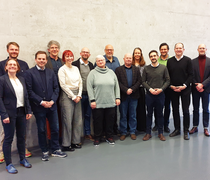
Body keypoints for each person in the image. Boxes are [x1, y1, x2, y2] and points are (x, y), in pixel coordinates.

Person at [25, 51, 67, 161]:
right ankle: (44, 151)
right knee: (41, 130)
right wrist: (41, 102)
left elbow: (56, 88)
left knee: (55, 128)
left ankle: (55, 149)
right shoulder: (29, 73)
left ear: (46, 60)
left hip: (52, 106)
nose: (41, 61)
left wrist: (53, 100)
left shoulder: (51, 72)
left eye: (43, 59)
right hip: (39, 107)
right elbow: (29, 91)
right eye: (39, 58)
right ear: (35, 59)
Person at [0, 42, 31, 164]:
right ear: (6, 67)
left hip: (21, 112)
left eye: (14, 65)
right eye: (10, 65)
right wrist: (4, 114)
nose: (12, 66)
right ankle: (8, 163)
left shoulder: (21, 79)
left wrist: (28, 110)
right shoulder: (2, 79)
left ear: (18, 67)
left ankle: (22, 159)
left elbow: (26, 95)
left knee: (21, 137)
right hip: (9, 112)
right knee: (8, 138)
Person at [87, 55, 120, 146]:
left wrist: (117, 97)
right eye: (98, 61)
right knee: (98, 121)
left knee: (110, 121)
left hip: (111, 102)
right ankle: (97, 137)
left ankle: (109, 136)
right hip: (97, 102)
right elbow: (89, 87)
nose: (100, 62)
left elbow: (116, 86)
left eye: (102, 60)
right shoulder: (92, 73)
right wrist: (92, 100)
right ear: (96, 63)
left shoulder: (111, 72)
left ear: (105, 61)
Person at [142, 50, 170, 141]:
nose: (153, 57)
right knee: (149, 114)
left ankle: (160, 133)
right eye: (151, 56)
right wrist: (150, 89)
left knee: (160, 114)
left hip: (160, 95)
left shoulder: (163, 68)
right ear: (149, 58)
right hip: (149, 95)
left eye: (154, 55)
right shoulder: (146, 68)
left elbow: (168, 80)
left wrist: (161, 89)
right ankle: (148, 133)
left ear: (158, 56)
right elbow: (143, 81)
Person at [167, 43, 193, 140]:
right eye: (177, 48)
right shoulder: (170, 61)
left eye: (180, 48)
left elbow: (191, 75)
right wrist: (171, 86)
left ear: (183, 49)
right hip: (173, 89)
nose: (178, 50)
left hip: (185, 89)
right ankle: (177, 129)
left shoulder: (188, 60)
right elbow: (167, 76)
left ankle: (186, 130)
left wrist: (184, 86)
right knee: (175, 109)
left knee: (186, 110)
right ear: (174, 50)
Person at [58, 50, 83, 151]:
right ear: (64, 58)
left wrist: (79, 95)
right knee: (67, 120)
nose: (69, 58)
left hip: (78, 94)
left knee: (78, 120)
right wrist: (73, 96)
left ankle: (75, 141)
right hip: (67, 95)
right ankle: (66, 144)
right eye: (67, 56)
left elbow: (80, 82)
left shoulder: (76, 68)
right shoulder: (62, 69)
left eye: (71, 56)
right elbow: (63, 85)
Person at [115, 53, 142, 141]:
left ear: (132, 59)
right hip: (123, 96)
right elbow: (117, 82)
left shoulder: (136, 69)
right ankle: (123, 132)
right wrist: (126, 90)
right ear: (124, 59)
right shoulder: (118, 70)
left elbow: (139, 81)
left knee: (133, 115)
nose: (128, 60)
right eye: (127, 58)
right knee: (123, 115)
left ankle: (132, 132)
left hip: (134, 96)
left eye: (130, 58)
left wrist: (132, 89)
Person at [72, 47, 94, 141]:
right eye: (84, 52)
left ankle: (87, 133)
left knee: (88, 115)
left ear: (89, 55)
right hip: (79, 95)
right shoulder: (75, 64)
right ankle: (77, 136)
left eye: (87, 52)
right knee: (78, 116)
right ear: (80, 53)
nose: (85, 54)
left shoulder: (91, 65)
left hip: (89, 94)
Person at [45, 40, 64, 142]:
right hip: (51, 93)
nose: (54, 49)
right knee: (51, 119)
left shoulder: (62, 62)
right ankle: (51, 139)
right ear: (48, 50)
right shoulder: (46, 61)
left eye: (56, 47)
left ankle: (61, 137)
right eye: (52, 48)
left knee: (61, 116)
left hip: (62, 92)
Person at [190, 44, 210, 136]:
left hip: (206, 89)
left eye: (203, 48)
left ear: (206, 49)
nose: (202, 49)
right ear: (197, 49)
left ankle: (206, 127)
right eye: (200, 48)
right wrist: (197, 85)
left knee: (206, 109)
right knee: (195, 109)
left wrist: (203, 85)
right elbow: (191, 75)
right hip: (195, 89)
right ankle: (195, 126)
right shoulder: (193, 62)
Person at [153, 43, 171, 133]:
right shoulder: (157, 60)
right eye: (162, 49)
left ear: (168, 50)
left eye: (165, 49)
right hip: (158, 88)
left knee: (167, 107)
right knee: (157, 107)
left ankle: (165, 125)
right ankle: (157, 124)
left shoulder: (171, 60)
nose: (163, 51)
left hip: (168, 87)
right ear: (159, 50)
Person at [103, 44, 121, 135]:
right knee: (106, 112)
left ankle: (115, 128)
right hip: (104, 90)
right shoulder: (101, 60)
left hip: (115, 88)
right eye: (108, 50)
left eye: (111, 50)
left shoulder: (116, 59)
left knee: (114, 110)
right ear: (105, 50)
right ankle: (105, 131)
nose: (109, 51)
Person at [132, 47, 147, 132]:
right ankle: (133, 127)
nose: (137, 54)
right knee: (133, 109)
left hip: (141, 89)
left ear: (141, 54)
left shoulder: (144, 65)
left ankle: (142, 127)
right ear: (133, 54)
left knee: (141, 108)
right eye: (135, 53)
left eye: (139, 53)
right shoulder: (131, 64)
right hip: (133, 89)